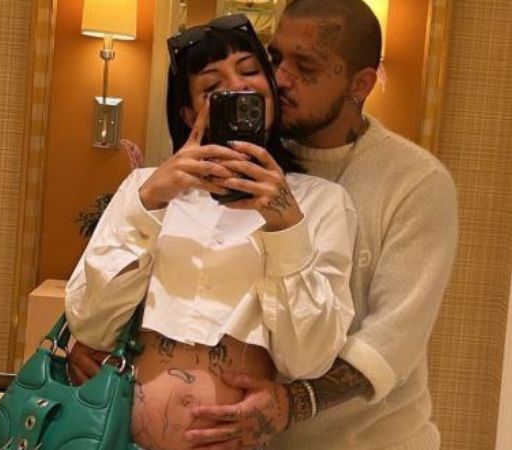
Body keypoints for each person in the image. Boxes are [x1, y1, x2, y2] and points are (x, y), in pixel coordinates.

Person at [64, 14, 357, 450]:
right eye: (212, 86)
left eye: (249, 71)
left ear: (270, 90)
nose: (236, 87)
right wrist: (150, 202)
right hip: (117, 440)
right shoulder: (145, 188)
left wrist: (285, 225)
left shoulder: (321, 204)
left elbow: (308, 359)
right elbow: (91, 324)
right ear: (188, 113)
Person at [181, 1, 458, 449]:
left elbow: (391, 342)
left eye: (305, 66)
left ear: (360, 84)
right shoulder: (245, 157)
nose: (280, 78)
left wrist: (290, 404)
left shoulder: (415, 182)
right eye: (274, 58)